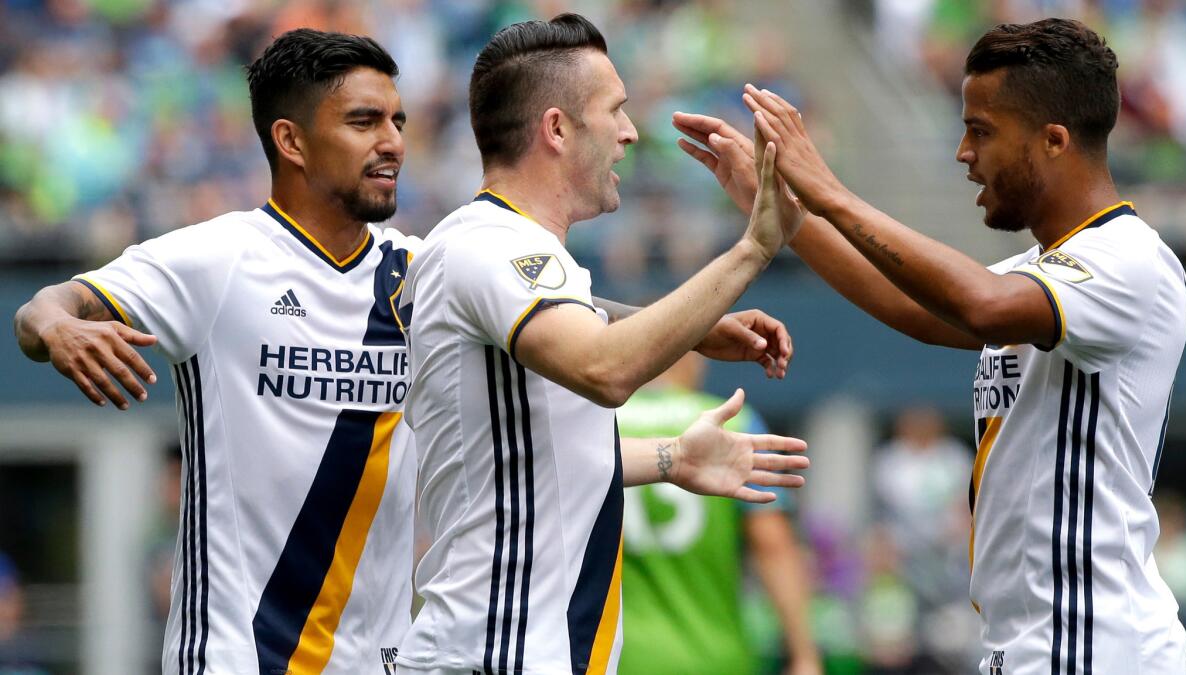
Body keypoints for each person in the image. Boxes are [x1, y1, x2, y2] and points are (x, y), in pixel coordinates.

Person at [12, 26, 798, 675]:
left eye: (396, 121)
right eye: (363, 123)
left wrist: (689, 345)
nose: (391, 143)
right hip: (244, 656)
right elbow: (47, 305)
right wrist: (58, 327)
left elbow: (533, 390)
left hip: (383, 657)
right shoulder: (220, 260)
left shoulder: (415, 267)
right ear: (289, 139)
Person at [675, 17, 1186, 675]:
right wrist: (784, 216)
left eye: (981, 130)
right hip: (1034, 638)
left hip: (1093, 639)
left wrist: (831, 192)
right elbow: (916, 308)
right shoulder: (1044, 271)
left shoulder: (1126, 259)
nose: (962, 152)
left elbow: (981, 305)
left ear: (1054, 140)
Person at [398, 13, 807, 675]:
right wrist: (755, 247)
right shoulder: (493, 244)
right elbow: (605, 367)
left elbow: (536, 461)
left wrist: (673, 455)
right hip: (495, 657)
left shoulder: (508, 255)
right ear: (557, 128)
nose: (630, 133)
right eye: (615, 111)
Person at [617, 352, 822, 675]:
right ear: (690, 357)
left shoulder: (601, 423)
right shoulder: (733, 424)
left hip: (613, 658)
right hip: (712, 654)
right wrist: (804, 655)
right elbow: (773, 548)